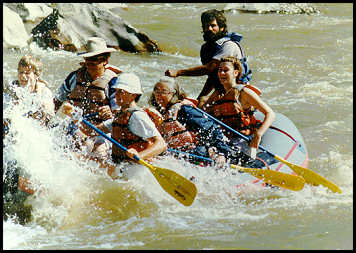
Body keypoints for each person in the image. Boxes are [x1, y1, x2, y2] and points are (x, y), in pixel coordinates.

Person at [62, 73, 167, 178]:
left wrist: (140, 156)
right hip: (119, 164)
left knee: (81, 161)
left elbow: (161, 144)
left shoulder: (137, 116)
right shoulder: (120, 115)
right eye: (116, 91)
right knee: (74, 157)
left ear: (133, 95)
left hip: (134, 168)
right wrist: (74, 115)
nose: (116, 95)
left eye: (121, 92)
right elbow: (90, 132)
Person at [165, 9, 252, 107]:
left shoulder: (228, 45)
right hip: (222, 89)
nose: (209, 29)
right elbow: (212, 77)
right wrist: (199, 97)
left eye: (213, 25)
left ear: (222, 28)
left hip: (238, 89)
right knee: (199, 102)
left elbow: (210, 68)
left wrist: (178, 72)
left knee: (202, 103)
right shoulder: (206, 48)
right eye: (206, 26)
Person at [53, 37, 121, 158]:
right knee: (66, 150)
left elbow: (119, 115)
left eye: (94, 60)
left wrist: (111, 113)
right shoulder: (74, 77)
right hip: (76, 127)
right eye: (88, 59)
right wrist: (49, 120)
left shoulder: (113, 82)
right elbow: (57, 100)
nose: (89, 63)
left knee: (99, 154)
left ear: (105, 61)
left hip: (102, 131)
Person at [146, 77, 234, 167]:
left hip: (198, 153)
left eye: (164, 92)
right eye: (156, 91)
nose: (158, 95)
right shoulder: (160, 113)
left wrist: (220, 153)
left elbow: (212, 129)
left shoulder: (184, 110)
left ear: (173, 94)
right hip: (177, 154)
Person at [203, 56, 275, 159]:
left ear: (235, 73)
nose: (221, 73)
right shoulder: (218, 93)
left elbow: (270, 114)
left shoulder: (244, 92)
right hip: (224, 138)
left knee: (220, 156)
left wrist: (258, 134)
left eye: (226, 70)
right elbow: (204, 112)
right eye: (220, 70)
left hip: (242, 139)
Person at [7, 55, 55, 125]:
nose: (23, 76)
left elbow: (50, 113)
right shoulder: (12, 88)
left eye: (27, 73)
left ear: (36, 75)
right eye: (21, 72)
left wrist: (42, 108)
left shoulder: (44, 91)